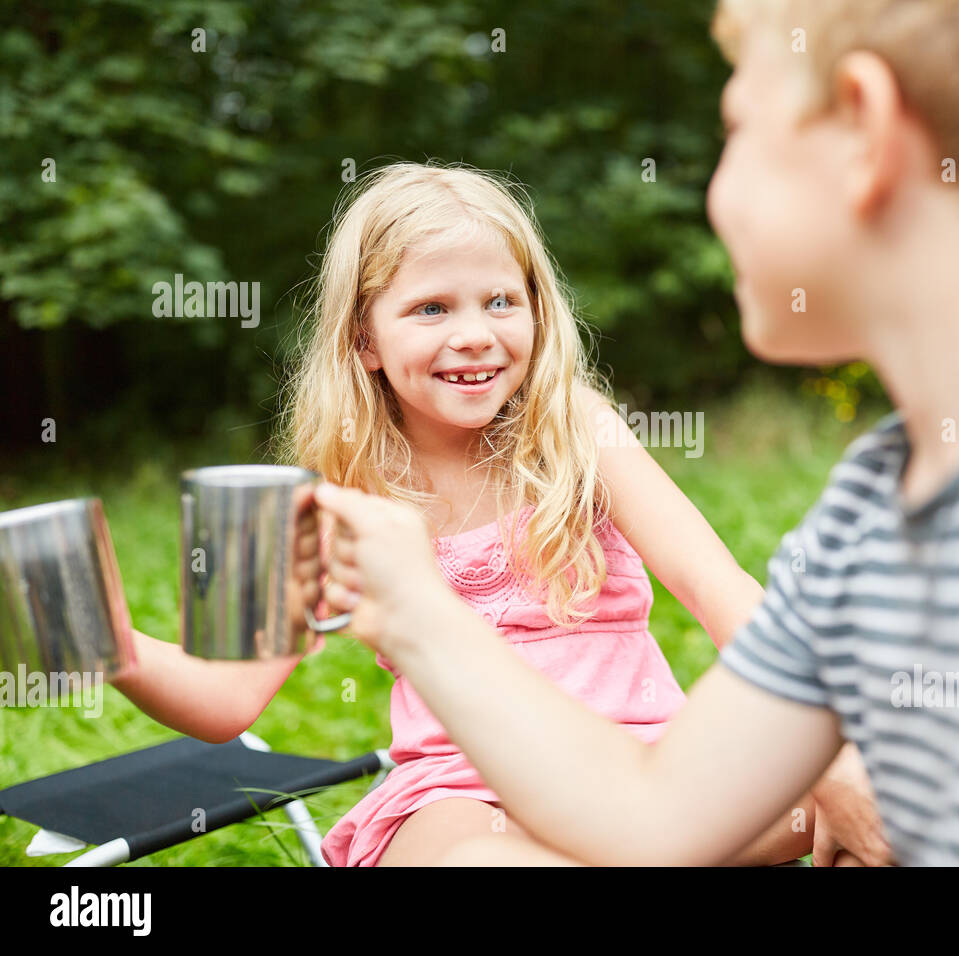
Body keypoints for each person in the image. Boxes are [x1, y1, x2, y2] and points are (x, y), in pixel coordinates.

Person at [302, 0, 959, 865]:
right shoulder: (865, 512)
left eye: (736, 125)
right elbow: (655, 817)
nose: (710, 189)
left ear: (863, 131)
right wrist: (420, 610)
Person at [110, 160, 890, 867]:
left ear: (537, 313)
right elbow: (223, 701)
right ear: (364, 339)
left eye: (500, 302)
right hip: (464, 798)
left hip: (649, 773)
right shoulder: (337, 499)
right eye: (430, 309)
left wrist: (830, 758)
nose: (474, 334)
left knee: (891, 806)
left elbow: (718, 589)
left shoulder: (578, 432)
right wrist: (98, 631)